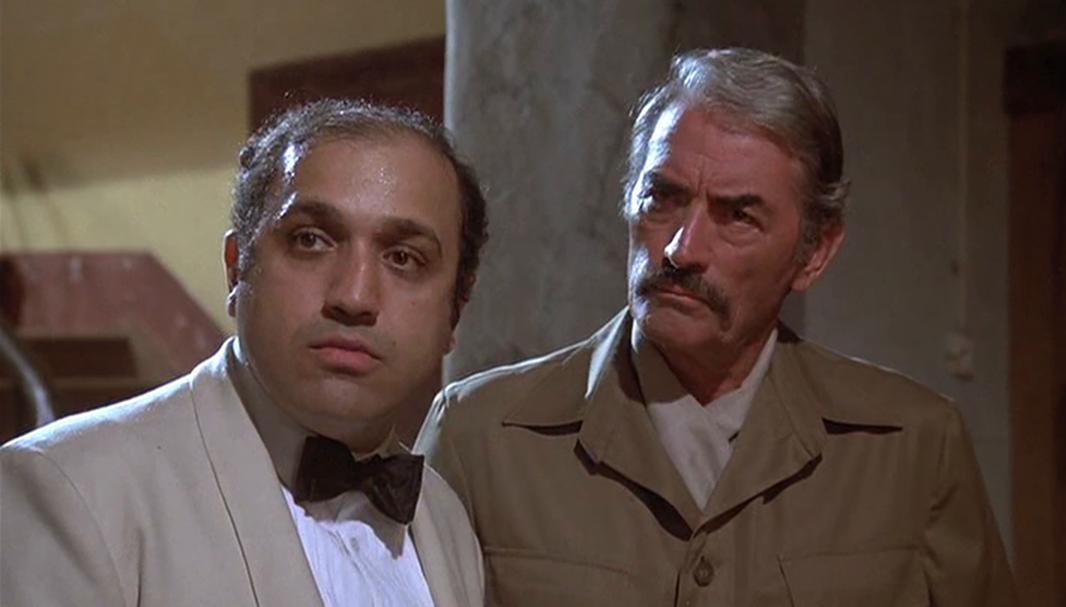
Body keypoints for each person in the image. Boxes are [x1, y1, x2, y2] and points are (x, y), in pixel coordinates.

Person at [417, 48, 1015, 606]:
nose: (681, 249)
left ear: (814, 252)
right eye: (662, 198)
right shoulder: (480, 438)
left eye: (738, 216)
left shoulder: (912, 448)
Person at [1, 99, 488, 607]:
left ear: (455, 309)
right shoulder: (73, 489)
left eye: (404, 258)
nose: (354, 296)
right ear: (237, 269)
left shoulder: (447, 521)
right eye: (312, 240)